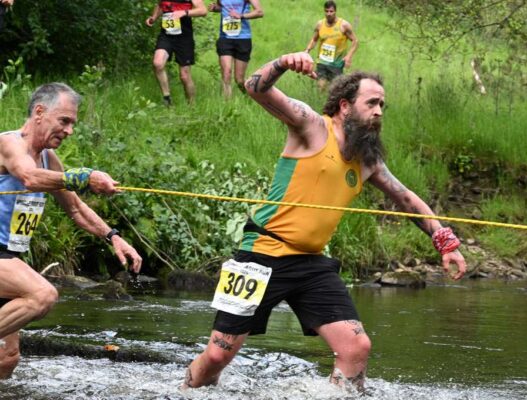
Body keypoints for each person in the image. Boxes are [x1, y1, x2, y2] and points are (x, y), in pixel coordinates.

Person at [182, 52, 467, 391]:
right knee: (217, 355)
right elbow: (254, 87)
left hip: (311, 265)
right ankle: (185, 393)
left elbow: (406, 198)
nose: (378, 112)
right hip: (260, 255)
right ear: (345, 105)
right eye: (371, 103)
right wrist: (284, 64)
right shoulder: (312, 126)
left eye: (382, 106)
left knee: (356, 346)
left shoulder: (367, 160)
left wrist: (445, 243)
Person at [0, 83, 143, 378]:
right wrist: (84, 176)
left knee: (7, 358)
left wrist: (113, 236)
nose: (69, 130)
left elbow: (75, 209)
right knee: (42, 295)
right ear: (39, 112)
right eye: (64, 121)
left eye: (73, 124)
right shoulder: (9, 144)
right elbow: (29, 177)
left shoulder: (48, 158)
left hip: (10, 257)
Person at [145, 0, 208, 106]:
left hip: (184, 36)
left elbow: (203, 10)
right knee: (158, 63)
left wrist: (185, 12)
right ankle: (167, 99)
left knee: (185, 76)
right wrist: (154, 17)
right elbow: (160, 4)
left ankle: (191, 105)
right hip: (166, 34)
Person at [208, 0, 263, 98]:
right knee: (226, 72)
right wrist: (215, 8)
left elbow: (259, 12)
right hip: (225, 38)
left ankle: (250, 96)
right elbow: (222, 7)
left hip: (243, 38)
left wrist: (241, 16)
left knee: (239, 79)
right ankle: (227, 106)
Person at [304, 0, 359, 90]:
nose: (329, 14)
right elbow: (314, 39)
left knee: (336, 89)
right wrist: (307, 50)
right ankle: (321, 101)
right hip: (322, 62)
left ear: (335, 11)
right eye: (326, 11)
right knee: (321, 86)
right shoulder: (320, 24)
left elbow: (355, 41)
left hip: (336, 64)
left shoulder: (343, 25)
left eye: (331, 11)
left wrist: (349, 56)